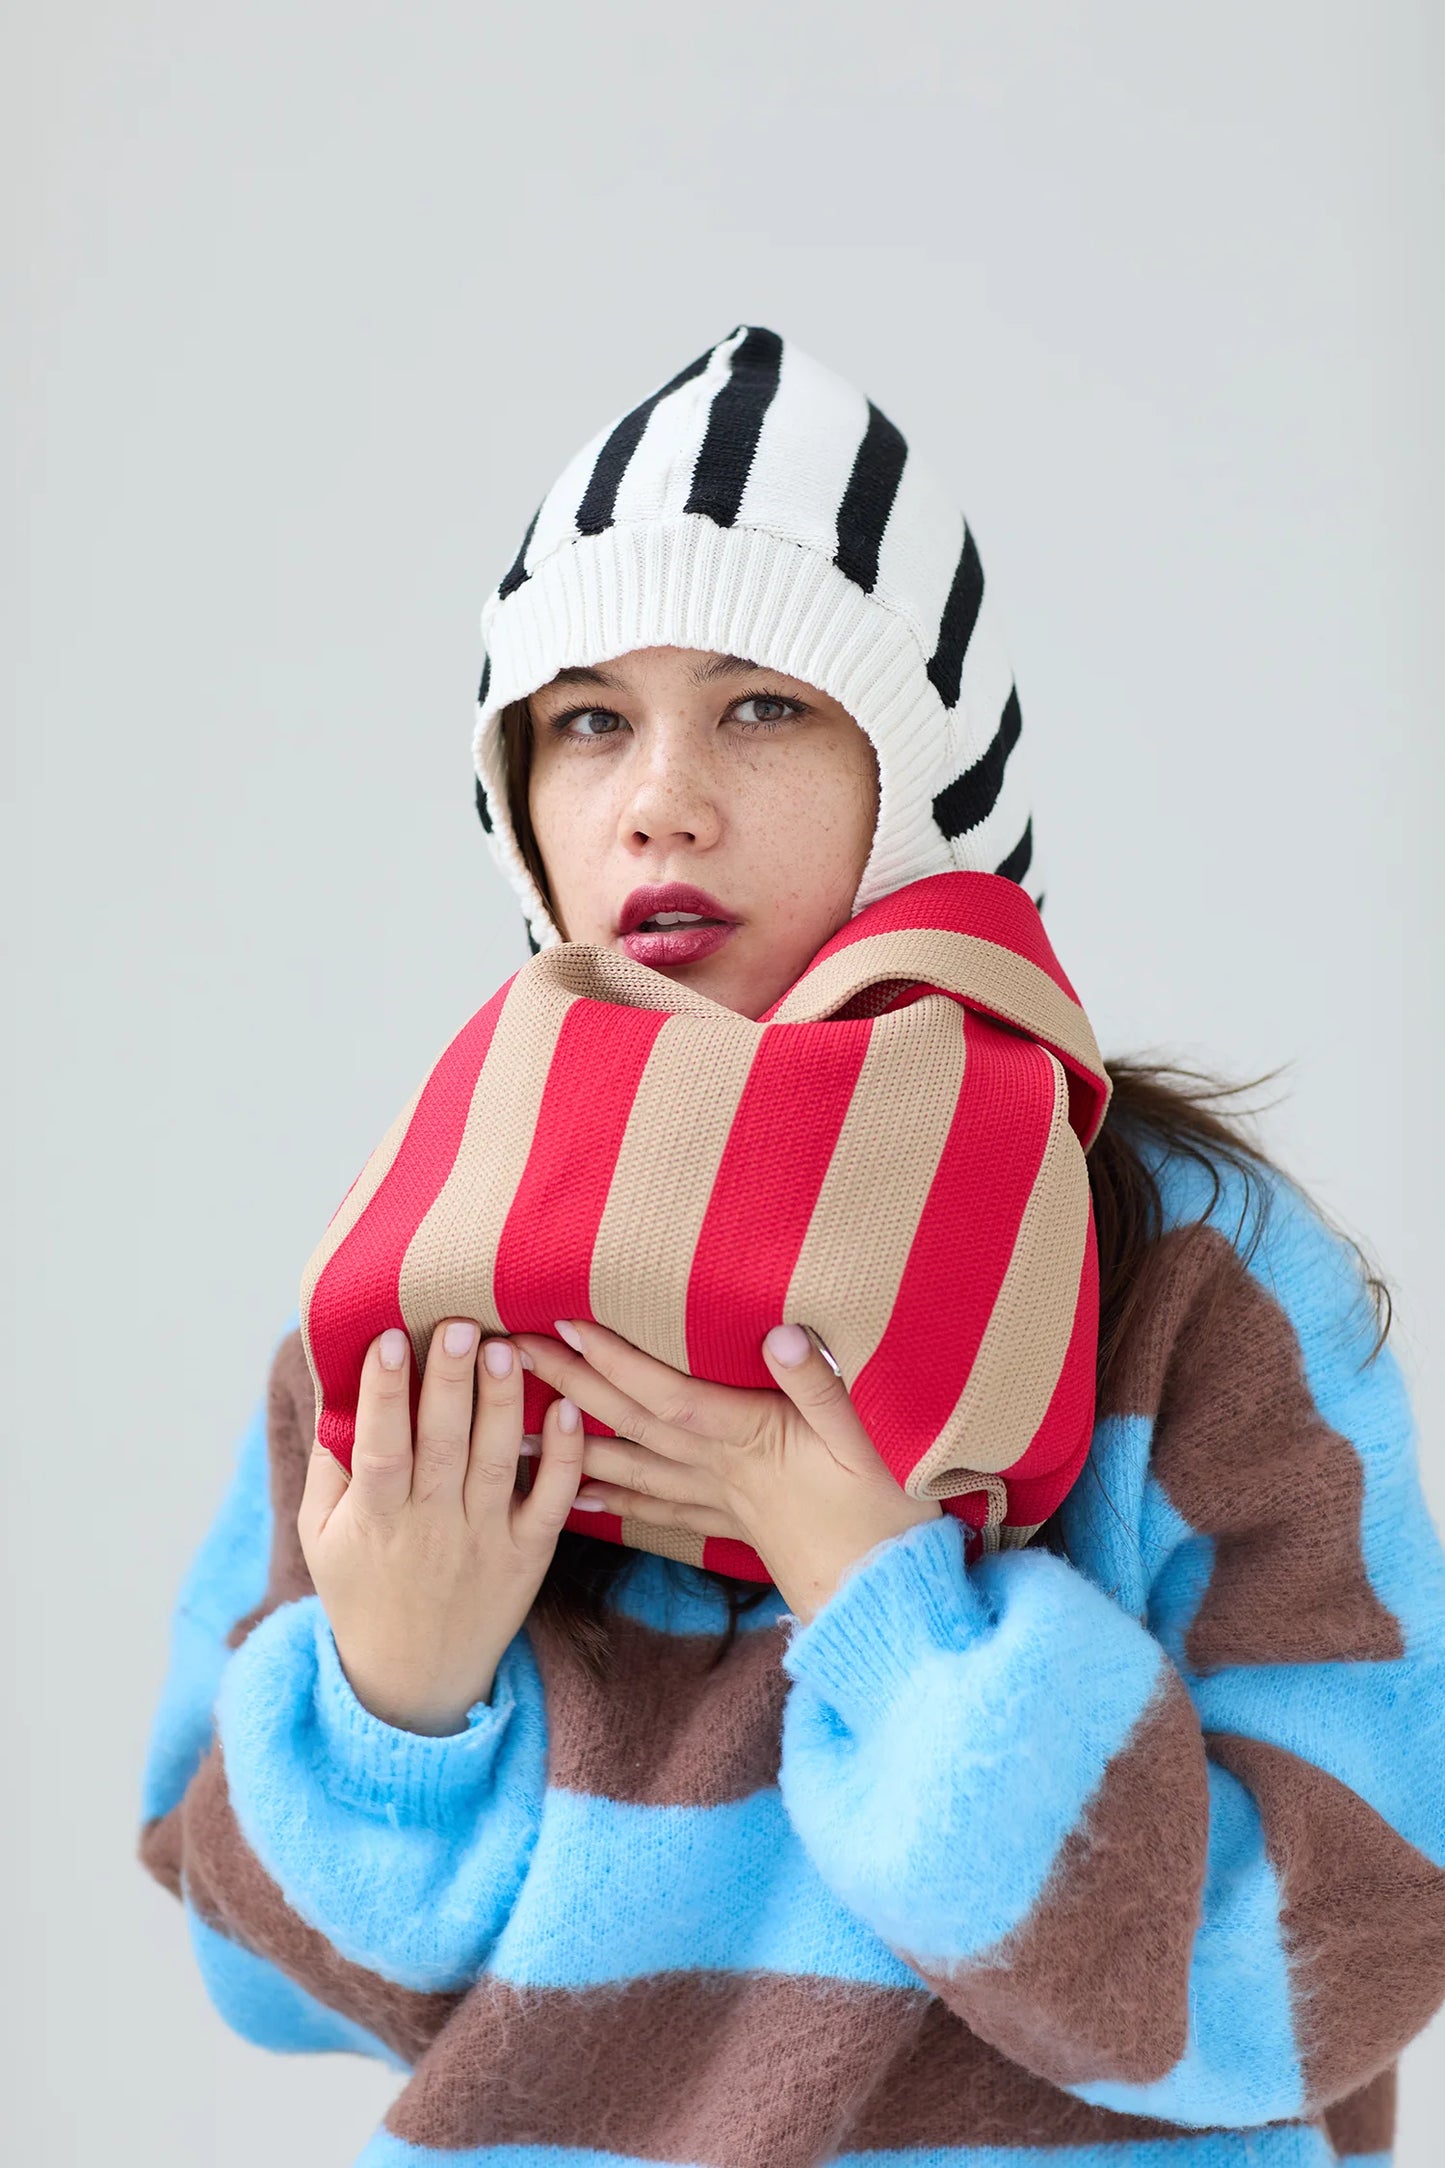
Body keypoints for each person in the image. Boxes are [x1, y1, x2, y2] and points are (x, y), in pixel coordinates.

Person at [137, 325, 1445, 2168]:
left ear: (917, 778)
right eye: (586, 718)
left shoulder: (1178, 1275)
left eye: (762, 704)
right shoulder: (423, 1269)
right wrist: (391, 1707)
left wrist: (892, 1623)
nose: (658, 793)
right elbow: (262, 1982)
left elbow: (1328, 1964)